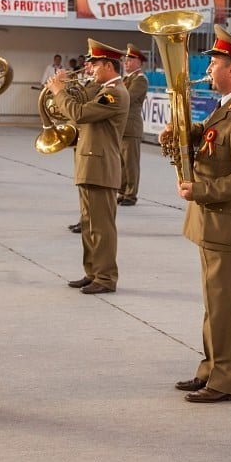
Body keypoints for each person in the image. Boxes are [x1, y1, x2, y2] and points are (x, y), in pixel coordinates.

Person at [162, 24, 231, 403]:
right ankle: (211, 369)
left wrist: (202, 190)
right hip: (214, 221)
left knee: (229, 307)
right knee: (214, 304)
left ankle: (227, 380)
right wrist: (182, 133)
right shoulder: (229, 107)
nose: (209, 71)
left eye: (215, 63)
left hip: (230, 222)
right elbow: (210, 139)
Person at [47, 39, 129, 295]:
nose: (88, 67)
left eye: (93, 63)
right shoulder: (100, 88)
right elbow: (80, 99)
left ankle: (105, 277)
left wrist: (59, 92)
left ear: (108, 65)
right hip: (89, 163)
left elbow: (80, 114)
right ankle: (92, 271)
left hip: (101, 166)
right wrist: (66, 85)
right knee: (89, 223)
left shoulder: (114, 92)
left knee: (102, 227)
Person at [118, 44, 149, 206]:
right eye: (126, 59)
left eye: (131, 59)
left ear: (139, 62)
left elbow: (127, 97)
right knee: (122, 163)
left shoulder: (140, 80)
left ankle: (131, 194)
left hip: (131, 126)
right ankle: (122, 191)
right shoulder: (126, 79)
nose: (126, 62)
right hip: (122, 127)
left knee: (131, 163)